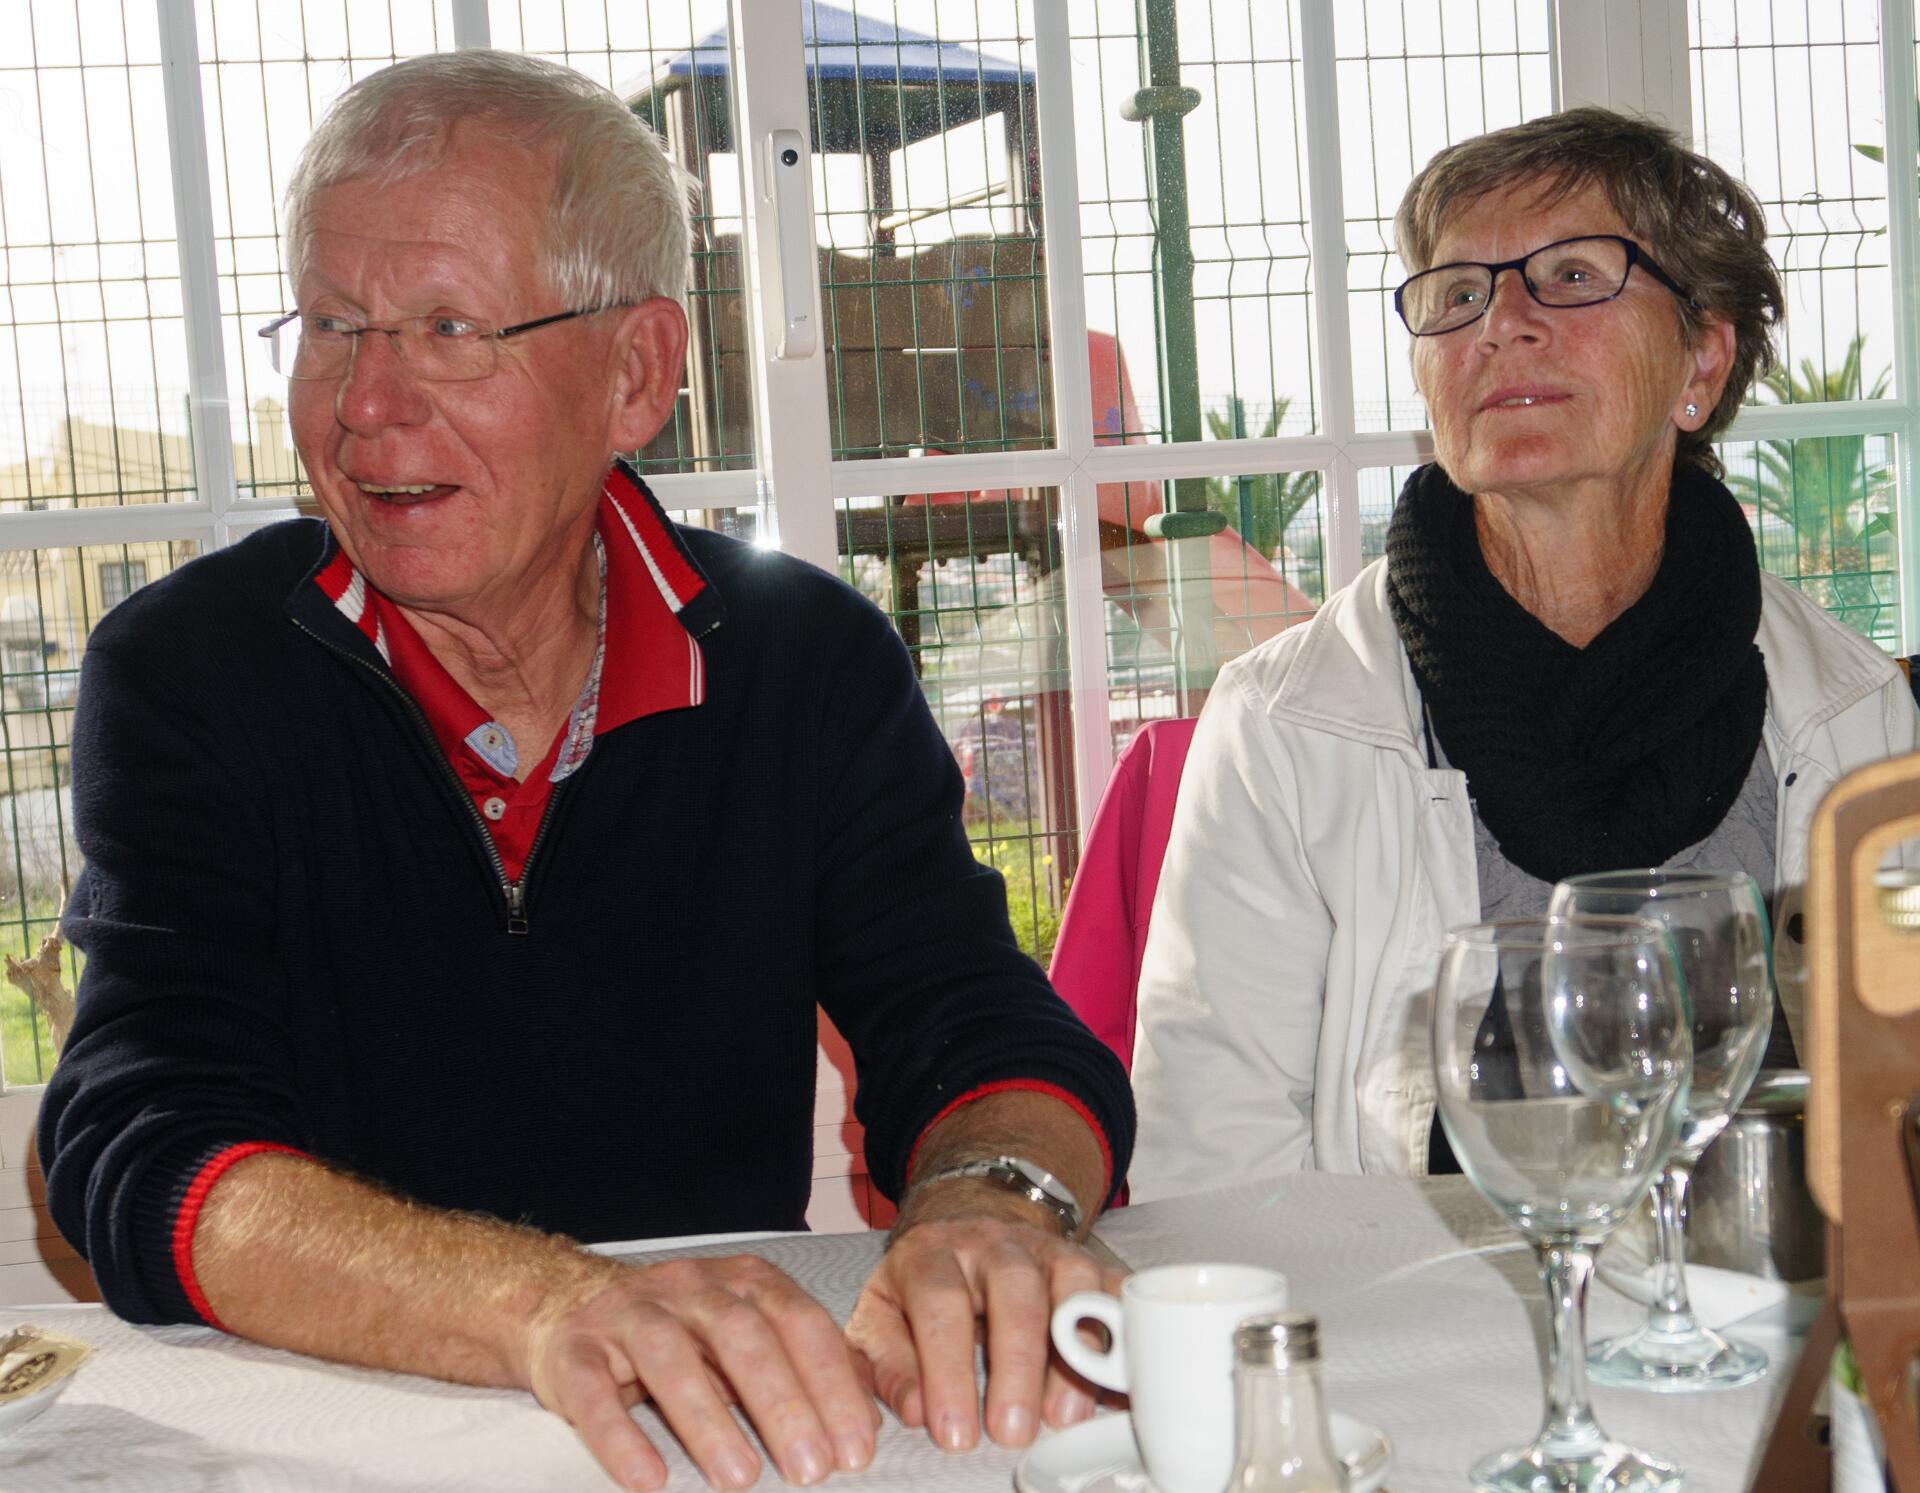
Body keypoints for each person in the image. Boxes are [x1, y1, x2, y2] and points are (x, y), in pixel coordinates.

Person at [39, 49, 1134, 1492]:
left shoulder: (800, 660)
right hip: (340, 1437)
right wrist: (547, 1304)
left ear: (637, 374)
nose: (366, 405)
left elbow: (980, 1027)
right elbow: (134, 1148)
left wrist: (995, 1204)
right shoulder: (194, 669)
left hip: (713, 1438)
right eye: (331, 325)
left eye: (448, 329)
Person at [1128, 106, 1918, 1200]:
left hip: (1761, 1293)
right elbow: (1212, 1168)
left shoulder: (1853, 712)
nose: (1500, 324)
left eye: (1573, 276)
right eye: (1458, 295)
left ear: (1702, 355)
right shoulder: (1285, 724)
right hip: (1405, 1300)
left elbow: (1900, 1108)